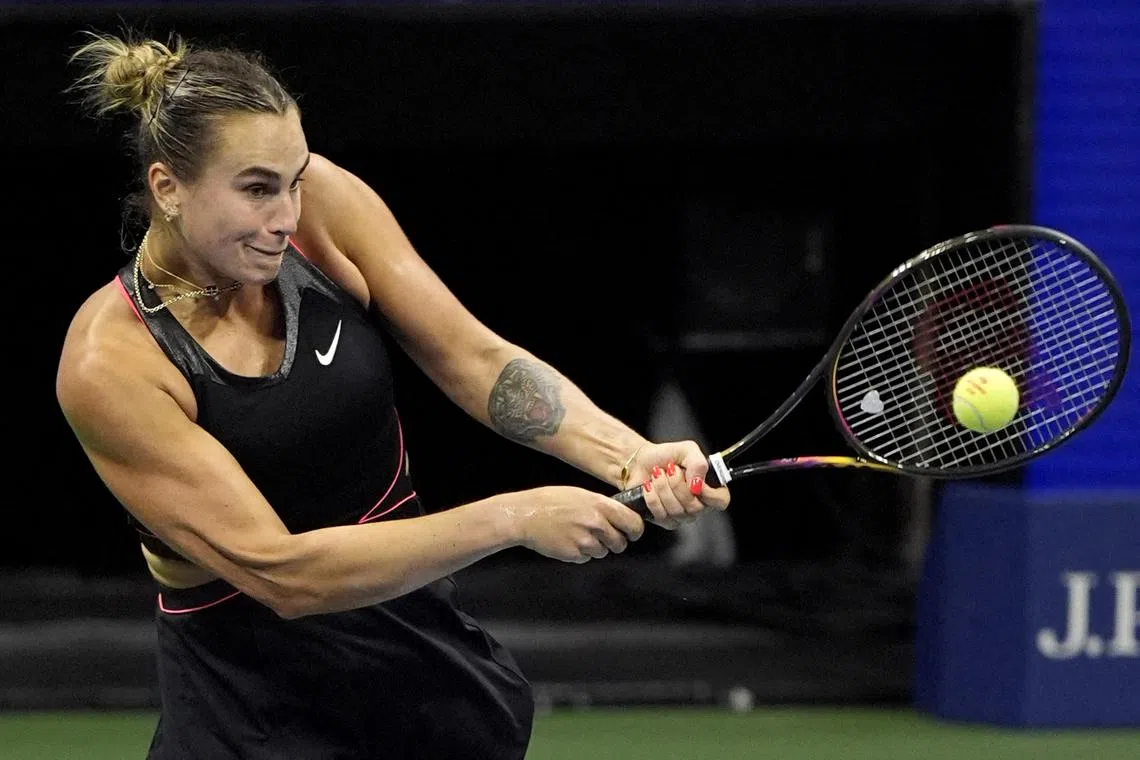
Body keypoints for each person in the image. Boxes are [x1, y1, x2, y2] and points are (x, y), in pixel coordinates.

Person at [55, 30, 730, 760]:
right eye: (256, 188)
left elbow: (471, 357)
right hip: (252, 709)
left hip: (423, 664)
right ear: (168, 188)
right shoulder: (113, 362)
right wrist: (516, 516)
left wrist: (628, 455)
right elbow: (283, 572)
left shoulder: (320, 211)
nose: (284, 214)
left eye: (295, 177)